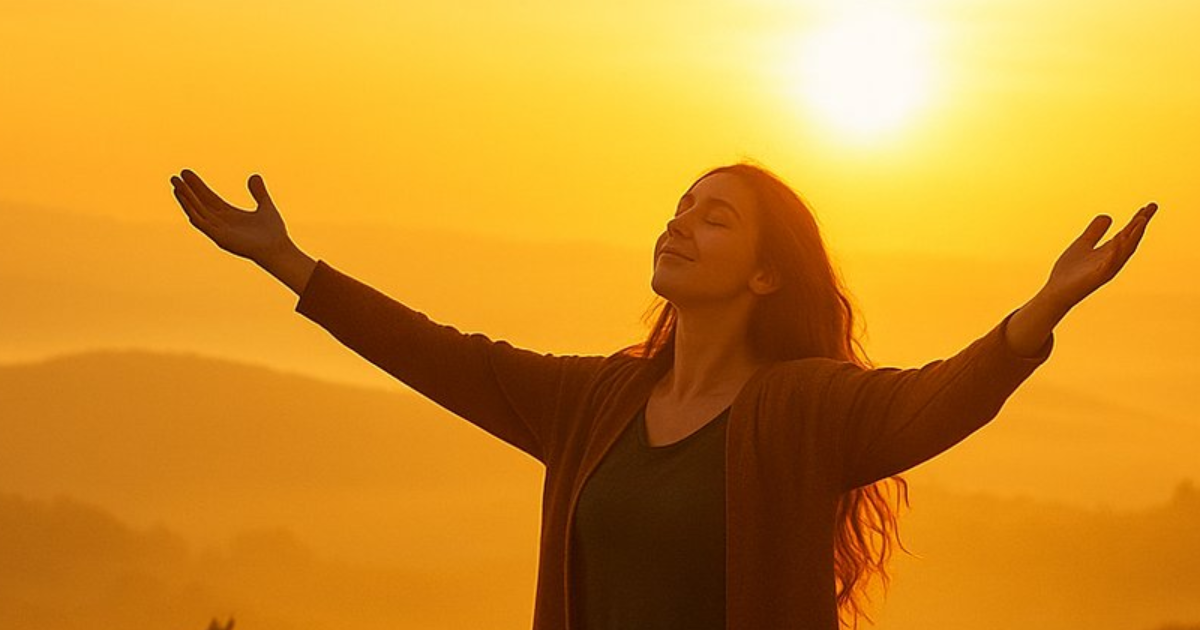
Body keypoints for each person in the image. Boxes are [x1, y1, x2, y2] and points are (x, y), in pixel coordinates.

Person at [170, 163, 1157, 629]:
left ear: (767, 276)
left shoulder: (804, 409)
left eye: (715, 219)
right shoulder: (596, 402)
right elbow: (443, 357)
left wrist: (1044, 306)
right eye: (680, 207)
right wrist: (288, 263)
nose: (680, 224)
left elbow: (938, 403)